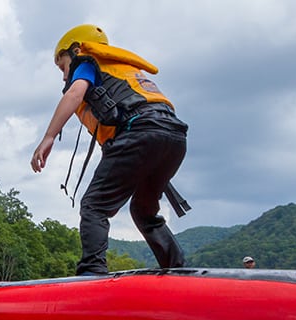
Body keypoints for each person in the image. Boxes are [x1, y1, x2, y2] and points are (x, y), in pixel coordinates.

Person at [30, 24, 190, 276]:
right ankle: (178, 270)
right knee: (144, 210)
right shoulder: (126, 71)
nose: (63, 76)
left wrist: (49, 136)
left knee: (94, 205)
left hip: (141, 132)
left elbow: (74, 94)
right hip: (174, 137)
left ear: (75, 49)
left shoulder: (86, 61)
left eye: (62, 67)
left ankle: (92, 272)